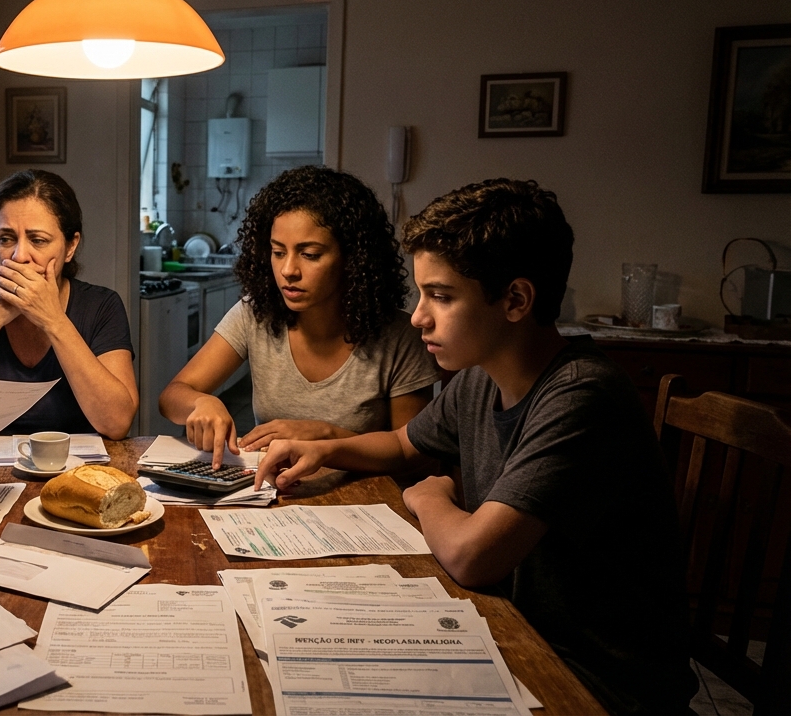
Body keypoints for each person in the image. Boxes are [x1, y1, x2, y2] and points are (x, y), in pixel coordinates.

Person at [253, 179, 697, 715]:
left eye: (440, 297)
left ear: (515, 300)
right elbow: (402, 444)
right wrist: (325, 450)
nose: (418, 316)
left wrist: (428, 496)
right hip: (520, 630)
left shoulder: (581, 395)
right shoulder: (482, 376)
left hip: (594, 679)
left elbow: (472, 557)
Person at [160, 166, 438, 466]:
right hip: (271, 487)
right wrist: (201, 402)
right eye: (278, 252)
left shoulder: (400, 337)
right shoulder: (255, 314)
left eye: (310, 254)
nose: (288, 270)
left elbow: (414, 458)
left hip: (360, 492)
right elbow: (171, 397)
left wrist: (326, 435)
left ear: (353, 259)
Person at [0, 170, 137, 439]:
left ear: (70, 247)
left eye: (38, 240)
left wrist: (53, 320)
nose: (19, 256)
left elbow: (117, 423)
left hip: (77, 461)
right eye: (5, 239)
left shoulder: (101, 306)